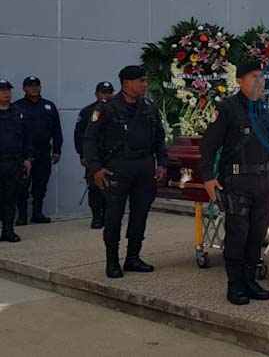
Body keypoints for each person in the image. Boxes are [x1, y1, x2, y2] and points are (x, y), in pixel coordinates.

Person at [200, 63, 269, 305]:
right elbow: (208, 146)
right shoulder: (227, 109)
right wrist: (208, 178)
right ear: (240, 80)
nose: (260, 81)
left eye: (262, 77)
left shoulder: (264, 109)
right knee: (238, 235)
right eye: (254, 77)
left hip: (263, 181)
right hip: (237, 181)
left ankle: (250, 280)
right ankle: (235, 285)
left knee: (257, 234)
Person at [82, 66, 167, 279]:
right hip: (117, 168)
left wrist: (162, 163)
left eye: (145, 81)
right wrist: (95, 168)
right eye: (141, 81)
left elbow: (159, 138)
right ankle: (112, 262)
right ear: (127, 83)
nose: (144, 85)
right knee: (113, 217)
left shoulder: (149, 107)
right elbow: (90, 140)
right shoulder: (107, 109)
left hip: (144, 168)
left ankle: (133, 258)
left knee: (140, 215)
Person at [13, 76, 62, 224]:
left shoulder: (49, 106)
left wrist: (57, 150)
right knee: (22, 186)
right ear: (24, 88)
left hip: (43, 152)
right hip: (24, 154)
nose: (34, 88)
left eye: (36, 85)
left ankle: (37, 214)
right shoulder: (16, 107)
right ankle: (22, 216)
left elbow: (56, 130)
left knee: (40, 185)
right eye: (30, 86)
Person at [74, 81, 116, 229]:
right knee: (94, 188)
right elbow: (79, 135)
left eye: (109, 92)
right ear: (96, 94)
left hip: (113, 157)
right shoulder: (88, 112)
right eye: (103, 92)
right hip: (94, 157)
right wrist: (83, 155)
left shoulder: (117, 110)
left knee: (113, 188)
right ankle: (97, 217)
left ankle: (109, 216)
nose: (106, 95)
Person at [0, 80, 31, 242]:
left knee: (10, 198)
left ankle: (8, 230)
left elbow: (26, 137)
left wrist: (27, 158)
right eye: (2, 90)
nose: (6, 93)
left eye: (8, 90)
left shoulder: (18, 112)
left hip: (13, 163)